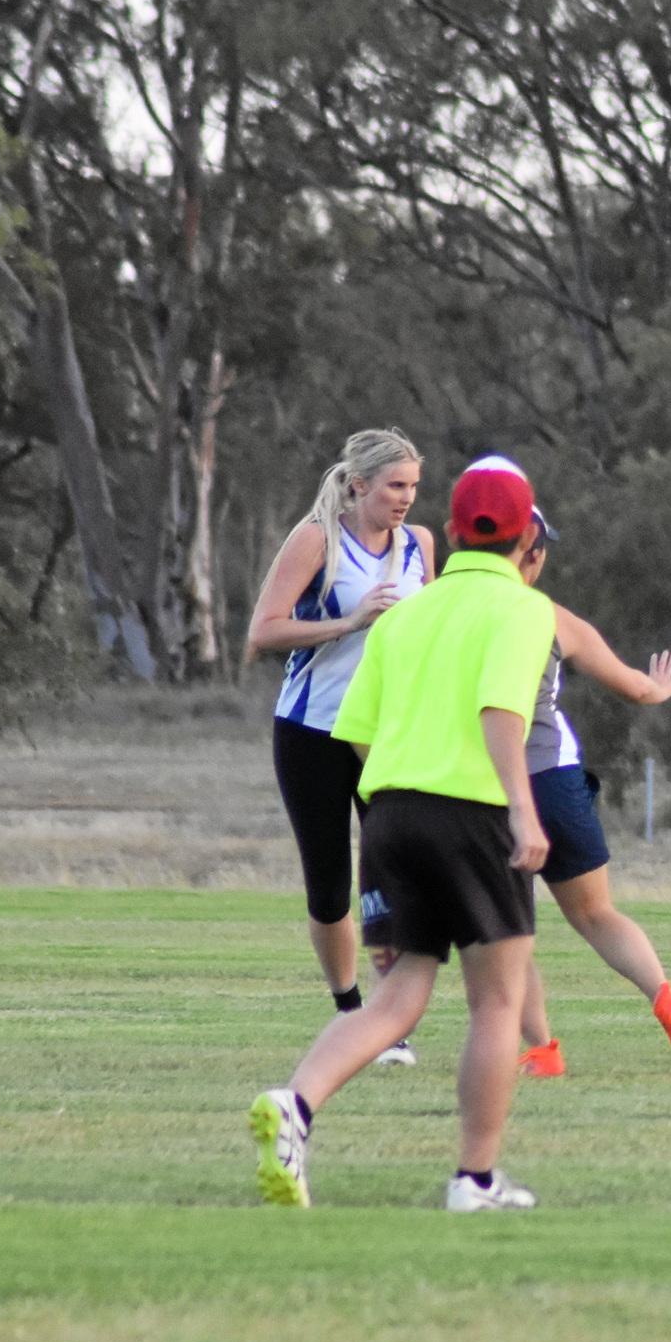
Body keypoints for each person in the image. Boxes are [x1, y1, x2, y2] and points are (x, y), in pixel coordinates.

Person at [248, 455, 558, 1212]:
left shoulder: (408, 610)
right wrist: (521, 808)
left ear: (451, 529)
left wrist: (397, 794)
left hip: (389, 811)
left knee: (396, 1001)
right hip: (476, 816)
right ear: (526, 539)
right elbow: (501, 715)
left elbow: (356, 731)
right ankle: (475, 1181)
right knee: (495, 1004)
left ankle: (297, 1103)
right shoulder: (524, 610)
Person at [479, 506, 671, 1077]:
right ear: (529, 549)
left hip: (489, 782)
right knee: (597, 914)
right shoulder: (553, 617)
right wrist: (655, 690)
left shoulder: (450, 611)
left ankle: (541, 1049)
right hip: (557, 778)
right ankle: (668, 1001)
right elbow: (633, 687)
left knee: (512, 926)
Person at [245, 428, 435, 1058]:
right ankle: (350, 1009)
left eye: (413, 486)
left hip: (388, 737)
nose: (406, 498)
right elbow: (263, 632)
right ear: (359, 485)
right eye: (394, 486)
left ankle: (389, 1024)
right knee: (330, 889)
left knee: (396, 877)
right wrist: (350, 622)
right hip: (313, 733)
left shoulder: (419, 546)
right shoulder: (316, 539)